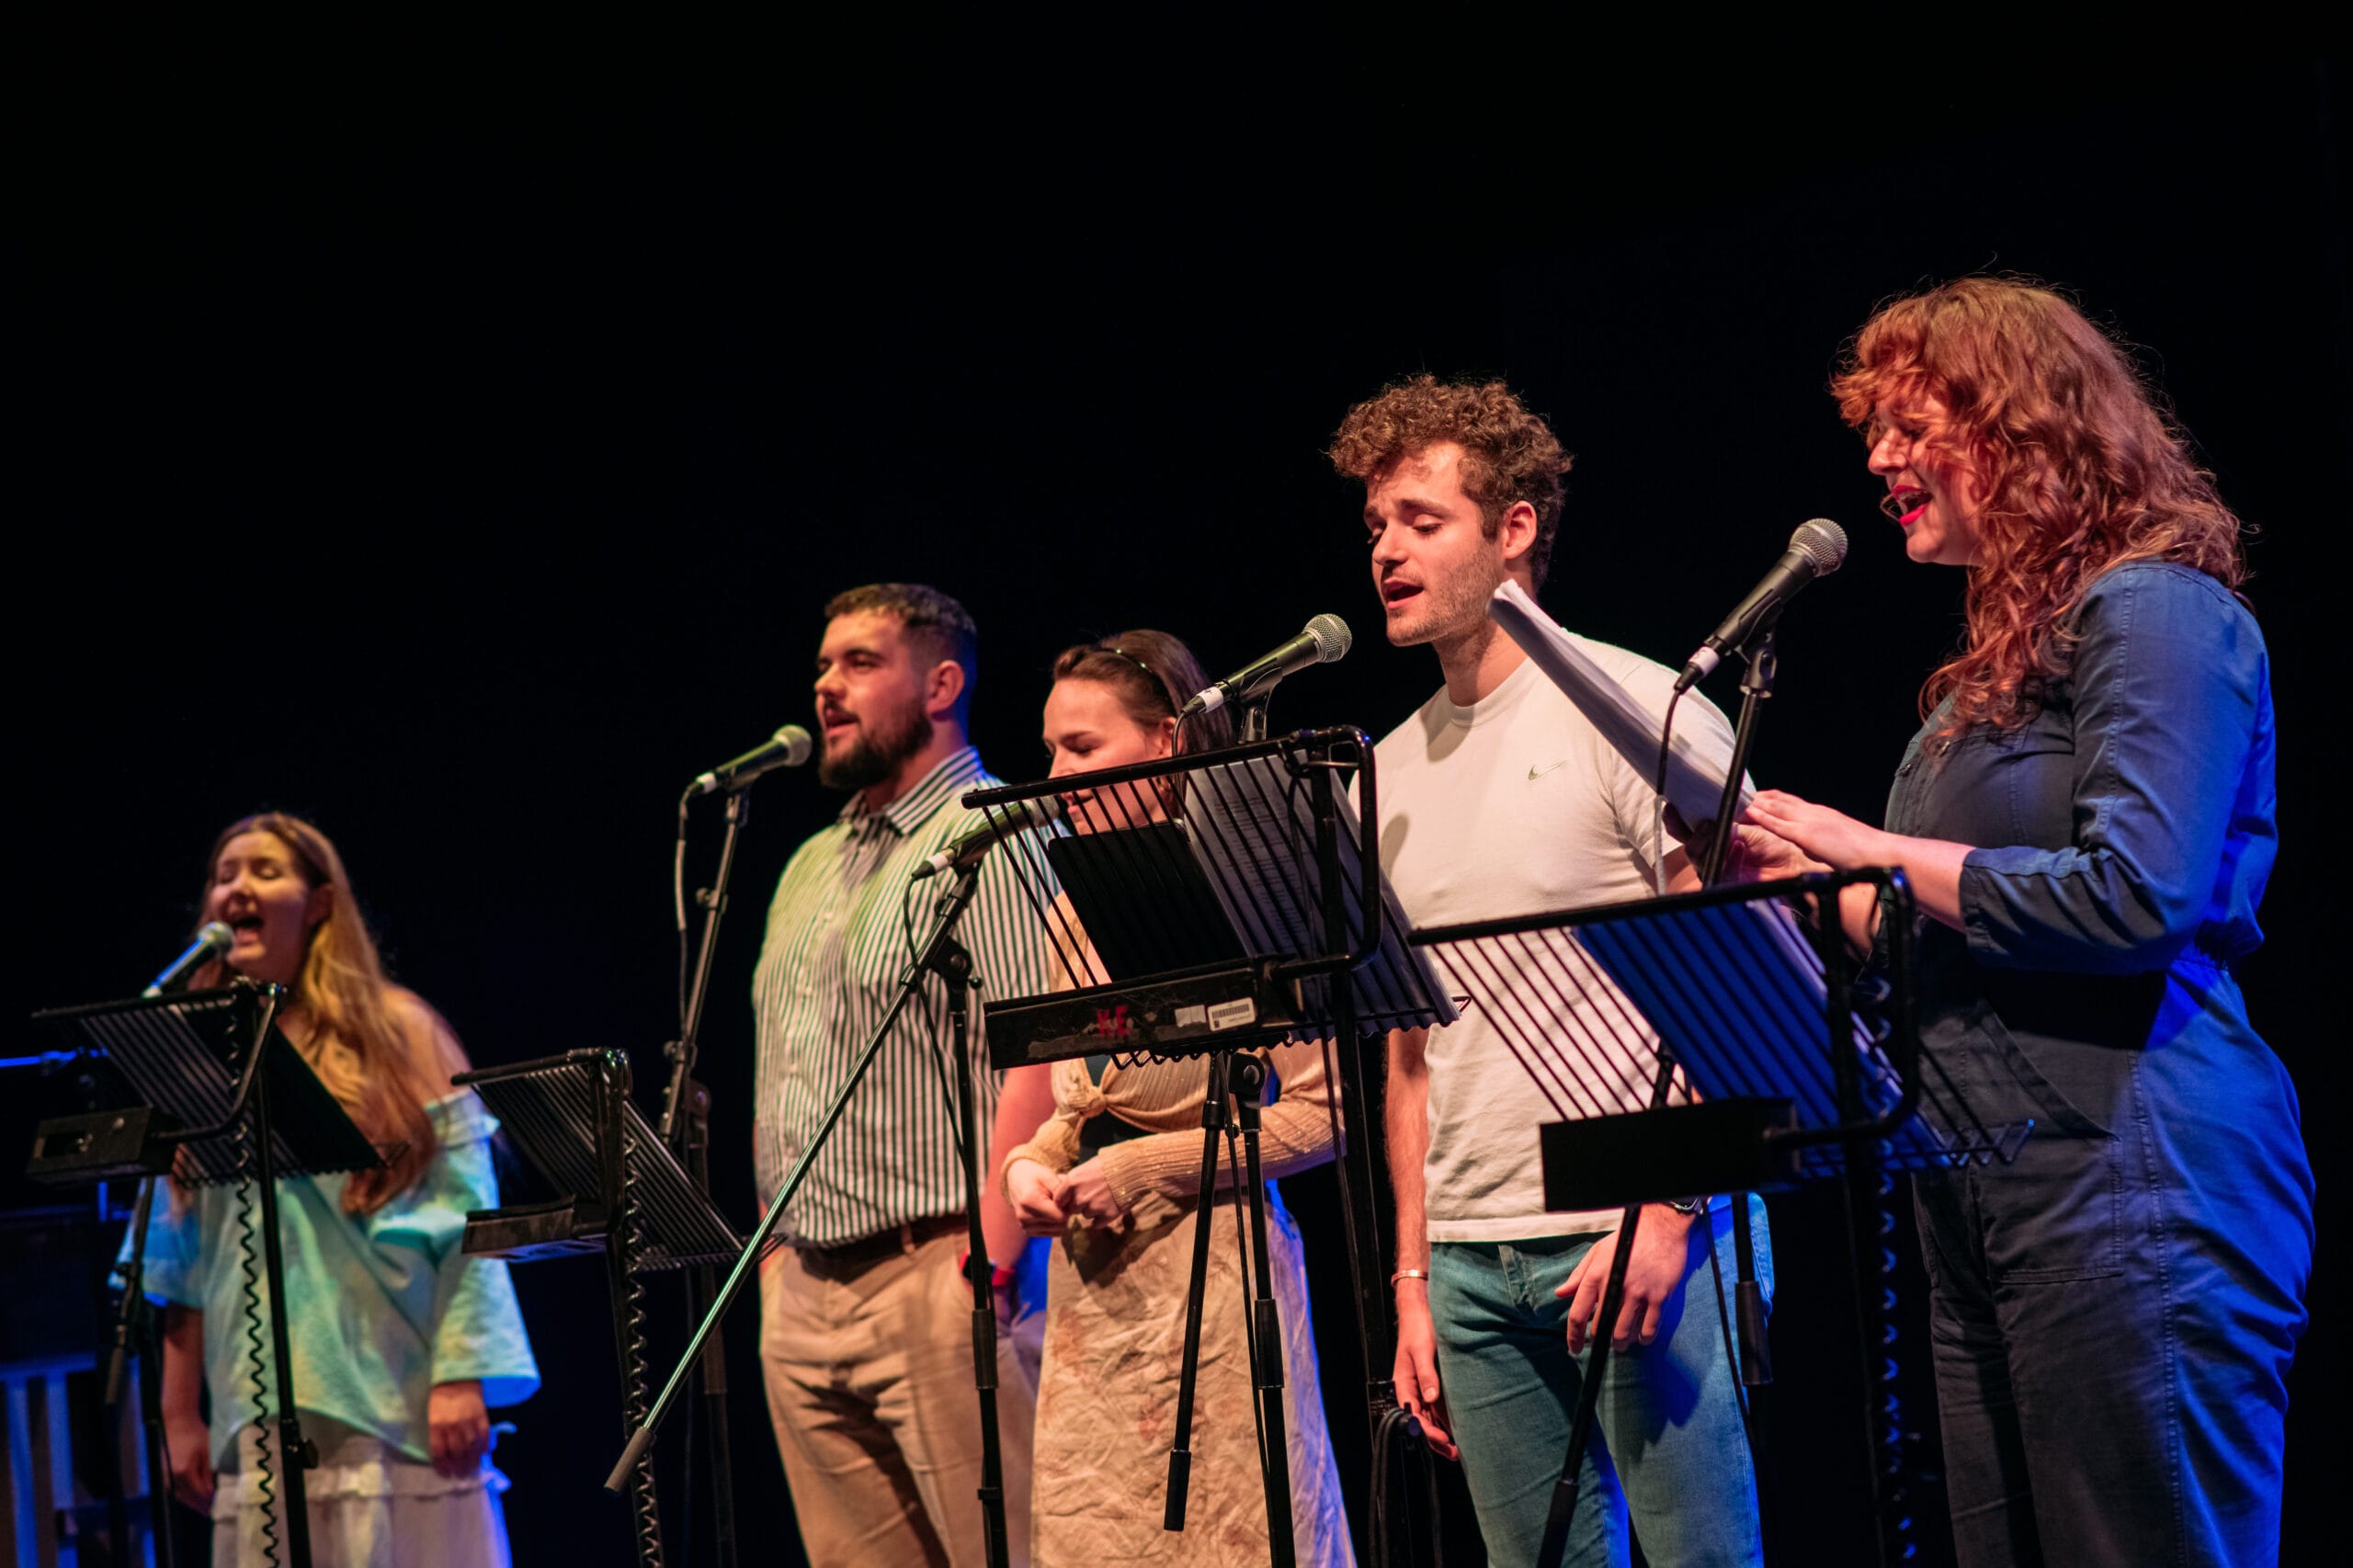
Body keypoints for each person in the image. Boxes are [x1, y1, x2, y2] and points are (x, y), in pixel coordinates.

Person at [1732, 278, 2313, 1565]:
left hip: (2134, 1169)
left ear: (2017, 420)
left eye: (1905, 420)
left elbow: (2137, 894)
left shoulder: (2154, 605)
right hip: (1983, 1182)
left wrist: (1873, 849)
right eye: (1868, 430)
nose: (1878, 455)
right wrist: (1799, 894)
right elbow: (1943, 931)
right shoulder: (1975, 690)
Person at [1331, 375, 1767, 1568]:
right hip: (1473, 1261)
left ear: (1514, 529)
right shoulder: (1393, 769)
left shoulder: (1638, 711)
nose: (1387, 550)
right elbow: (1411, 1048)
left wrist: (1674, 1208)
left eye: (1422, 520)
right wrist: (1415, 1274)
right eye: (1376, 526)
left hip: (1634, 1223)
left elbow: (1736, 974)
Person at [998, 631, 1356, 1567]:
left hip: (1218, 1296)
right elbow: (1078, 1104)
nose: (1054, 774)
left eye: (1082, 747)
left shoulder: (1253, 891)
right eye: (1050, 749)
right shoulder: (1071, 905)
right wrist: (1027, 1166)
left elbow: (1325, 1113)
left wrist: (1145, 1164)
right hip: (1094, 1303)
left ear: (1164, 743)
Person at [137, 811, 539, 1568]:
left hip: (392, 1405)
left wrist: (462, 1373)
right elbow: (179, 1252)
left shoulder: (399, 1032)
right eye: (223, 877)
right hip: (254, 1415)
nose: (236, 890)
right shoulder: (199, 1061)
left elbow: (470, 1215)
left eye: (263, 871)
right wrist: (177, 1412)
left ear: (319, 902)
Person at [751, 582, 1055, 1568]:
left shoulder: (995, 831)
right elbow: (787, 1071)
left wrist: (992, 1263)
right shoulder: (806, 863)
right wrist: (773, 1264)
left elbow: (1038, 1048)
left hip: (943, 1268)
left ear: (941, 683)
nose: (825, 686)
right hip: (803, 1287)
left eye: (858, 662)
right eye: (823, 665)